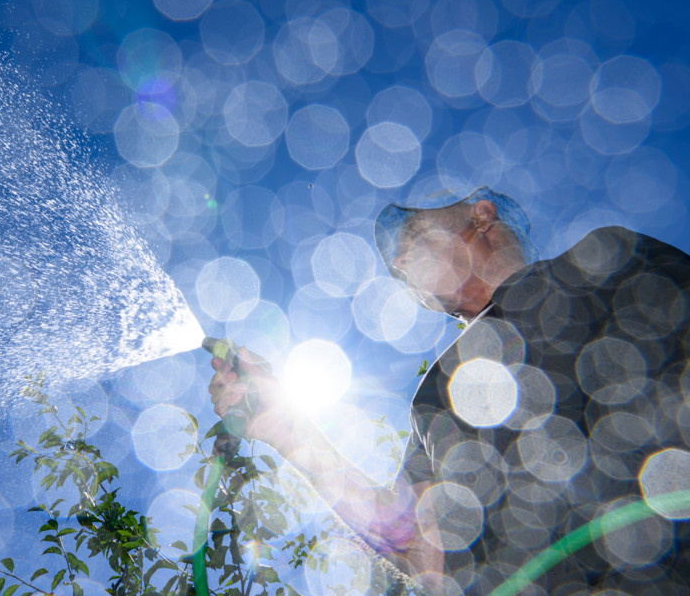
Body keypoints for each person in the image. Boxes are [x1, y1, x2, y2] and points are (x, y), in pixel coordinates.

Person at [208, 187, 690, 595]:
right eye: (396, 263)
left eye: (413, 235)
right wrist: (289, 431)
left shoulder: (601, 261)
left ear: (480, 215)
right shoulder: (433, 398)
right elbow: (418, 549)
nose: (398, 261)